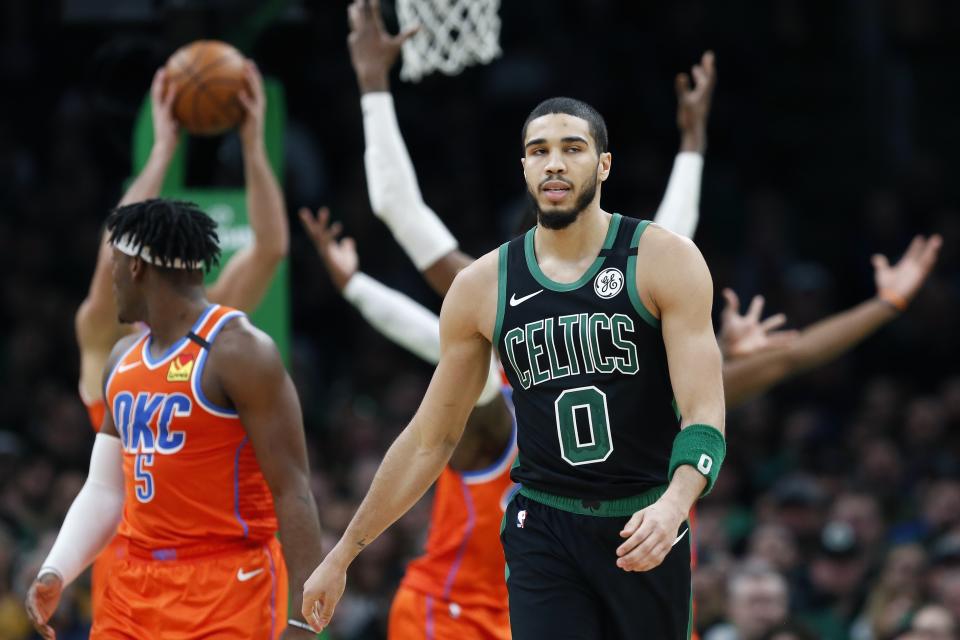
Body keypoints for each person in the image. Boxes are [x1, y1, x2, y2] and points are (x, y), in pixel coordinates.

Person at [303, 87, 727, 638]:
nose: (554, 162)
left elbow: (704, 416)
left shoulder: (664, 258)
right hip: (543, 525)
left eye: (572, 148)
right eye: (539, 150)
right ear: (524, 166)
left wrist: (674, 505)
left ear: (603, 165)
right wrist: (343, 553)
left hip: (645, 517)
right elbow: (430, 439)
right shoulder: (482, 285)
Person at [25, 200, 320, 639]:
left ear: (137, 268)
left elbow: (293, 490)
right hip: (134, 585)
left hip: (226, 584)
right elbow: (105, 488)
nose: (113, 280)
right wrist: (57, 568)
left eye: (116, 266)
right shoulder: (122, 359)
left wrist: (302, 620)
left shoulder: (239, 351)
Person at [75, 60, 290, 617]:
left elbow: (269, 247)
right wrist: (161, 151)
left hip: (213, 572)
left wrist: (252, 143)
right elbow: (113, 252)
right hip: (128, 558)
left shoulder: (211, 327)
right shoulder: (104, 333)